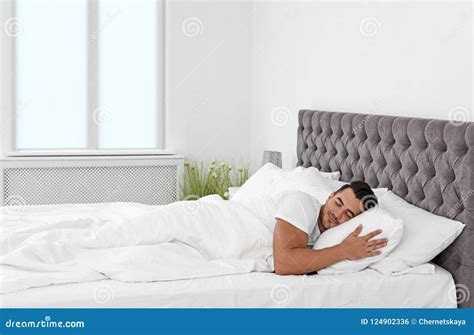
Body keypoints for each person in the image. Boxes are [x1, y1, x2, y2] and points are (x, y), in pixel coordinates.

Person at [272, 181, 388, 275]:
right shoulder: (303, 203)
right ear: (330, 196)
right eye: (338, 203)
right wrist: (344, 250)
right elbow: (284, 263)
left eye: (348, 214)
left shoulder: (325, 240)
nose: (337, 215)